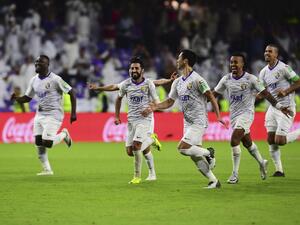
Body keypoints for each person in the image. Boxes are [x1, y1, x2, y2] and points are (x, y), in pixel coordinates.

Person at [143, 49, 226, 189]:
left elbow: (211, 96)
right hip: (187, 122)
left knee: (182, 148)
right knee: (194, 156)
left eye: (179, 58)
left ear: (186, 60)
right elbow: (170, 102)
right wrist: (155, 107)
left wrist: (218, 115)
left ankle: (209, 153)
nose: (177, 60)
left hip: (199, 121)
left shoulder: (198, 79)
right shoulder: (177, 83)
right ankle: (214, 181)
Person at [213, 53, 291, 184]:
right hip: (234, 116)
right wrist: (200, 99)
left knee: (234, 139)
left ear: (243, 64)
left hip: (247, 114)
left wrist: (279, 106)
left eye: (236, 62)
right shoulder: (226, 79)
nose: (233, 65)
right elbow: (214, 93)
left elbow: (265, 93)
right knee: (247, 143)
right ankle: (262, 162)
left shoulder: (251, 79)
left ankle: (235, 174)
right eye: (231, 62)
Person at [10, 55, 77, 176]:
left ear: (47, 65)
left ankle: (64, 134)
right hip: (39, 115)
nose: (37, 64)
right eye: (36, 62)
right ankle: (47, 170)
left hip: (54, 114)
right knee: (38, 143)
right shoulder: (33, 80)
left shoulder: (56, 79)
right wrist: (16, 99)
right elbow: (27, 98)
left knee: (48, 142)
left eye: (40, 62)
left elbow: (72, 92)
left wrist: (73, 113)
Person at [114, 56, 161, 184]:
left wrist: (151, 109)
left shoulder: (148, 84)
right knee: (131, 151)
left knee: (136, 146)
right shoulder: (126, 84)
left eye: (136, 68)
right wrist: (117, 116)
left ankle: (137, 176)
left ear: (142, 70)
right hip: (131, 121)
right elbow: (118, 98)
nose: (134, 70)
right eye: (132, 68)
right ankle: (151, 140)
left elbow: (157, 102)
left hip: (145, 120)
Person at [259, 44, 300, 177]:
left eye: (270, 51)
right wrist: (257, 94)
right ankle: (279, 170)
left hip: (286, 108)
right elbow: (262, 90)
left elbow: (298, 82)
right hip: (273, 107)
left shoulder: (284, 68)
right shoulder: (263, 72)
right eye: (265, 51)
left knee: (280, 141)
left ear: (276, 54)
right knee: (271, 139)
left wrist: (286, 91)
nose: (267, 53)